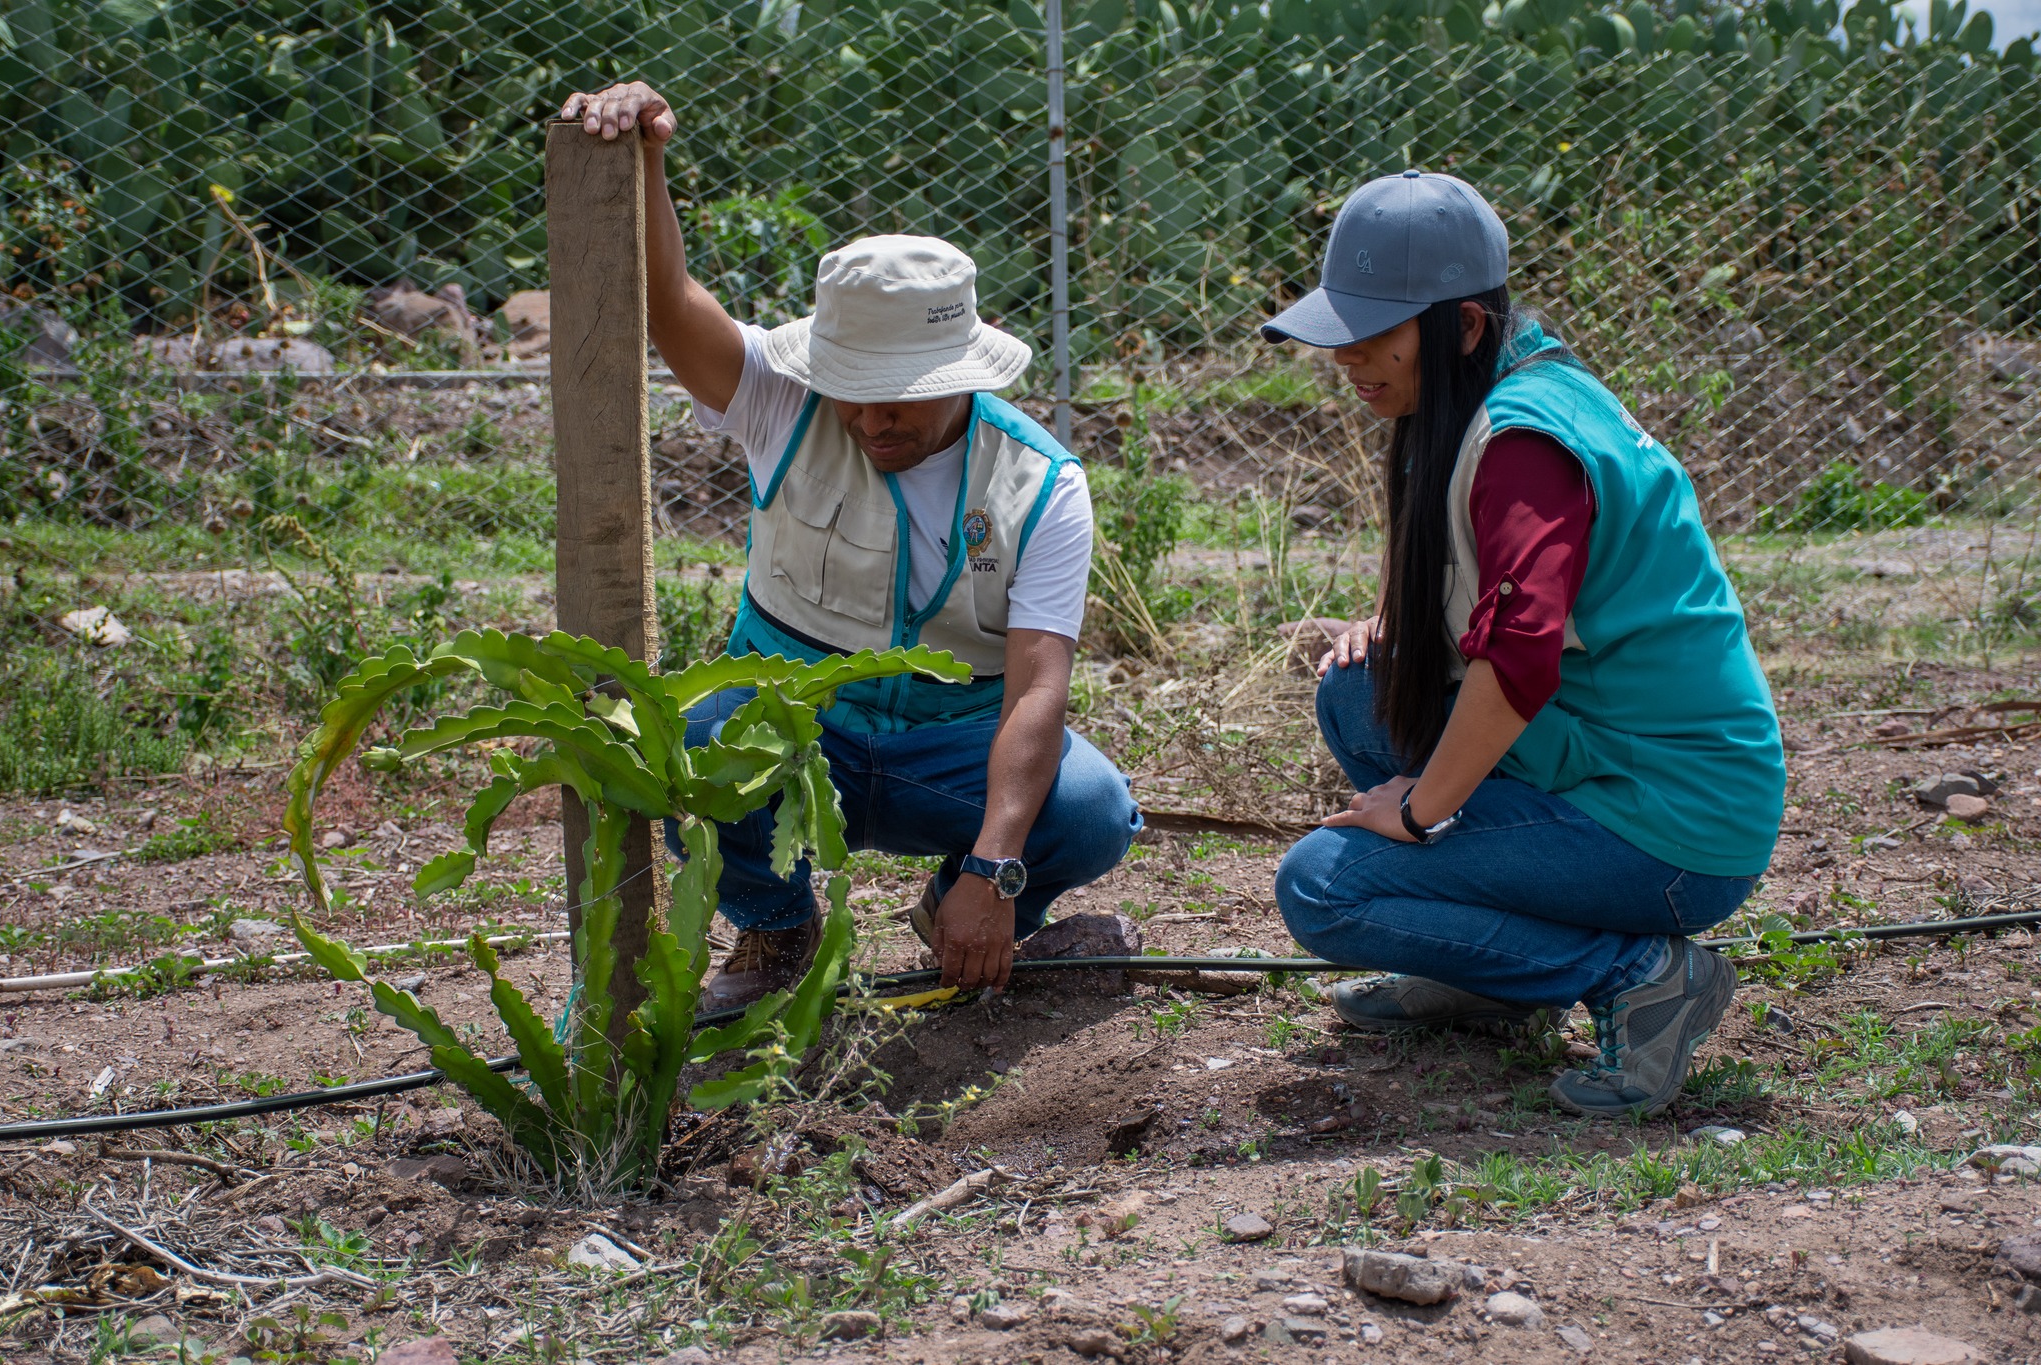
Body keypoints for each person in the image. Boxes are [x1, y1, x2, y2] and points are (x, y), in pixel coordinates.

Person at [557, 84, 1141, 1009]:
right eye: (850, 387)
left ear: (964, 373)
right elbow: (669, 307)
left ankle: (955, 907)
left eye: (899, 394)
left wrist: (995, 871)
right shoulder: (783, 403)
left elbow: (1037, 688)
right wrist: (649, 159)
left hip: (950, 745)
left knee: (1090, 810)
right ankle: (776, 926)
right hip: (794, 724)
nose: (870, 417)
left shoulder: (1043, 485)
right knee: (699, 743)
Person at [1261, 170, 1785, 1118]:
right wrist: (1399, 619)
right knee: (1357, 690)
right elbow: (1469, 567)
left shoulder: (1525, 441)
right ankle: (1494, 979)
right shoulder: (1484, 394)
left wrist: (1419, 813)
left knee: (1324, 892)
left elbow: (1521, 656)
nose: (1348, 356)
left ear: (1461, 327)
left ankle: (1641, 972)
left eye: (1374, 332)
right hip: (1606, 759)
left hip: (1673, 825)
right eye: (1342, 329)